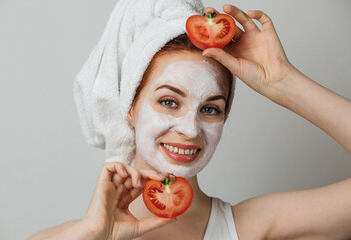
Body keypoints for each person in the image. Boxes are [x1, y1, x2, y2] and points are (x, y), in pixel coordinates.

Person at [29, 4, 351, 240]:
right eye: (169, 102)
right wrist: (93, 235)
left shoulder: (250, 228)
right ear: (131, 107)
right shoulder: (73, 235)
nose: (190, 130)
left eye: (211, 109)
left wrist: (283, 82)